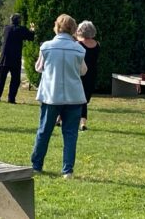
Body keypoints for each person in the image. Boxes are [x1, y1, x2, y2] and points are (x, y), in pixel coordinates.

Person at [30, 14, 87, 179]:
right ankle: (67, 170)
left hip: (51, 95)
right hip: (73, 96)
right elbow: (83, 71)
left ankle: (37, 165)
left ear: (56, 27)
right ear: (73, 29)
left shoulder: (47, 47)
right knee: (70, 134)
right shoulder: (78, 48)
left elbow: (38, 68)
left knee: (44, 130)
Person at [0, 13, 35, 103]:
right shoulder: (21, 30)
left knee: (1, 79)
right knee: (15, 80)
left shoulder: (6, 28)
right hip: (15, 59)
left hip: (4, 58)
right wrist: (32, 29)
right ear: (19, 21)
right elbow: (31, 37)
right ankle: (11, 98)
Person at [76, 20, 100, 131]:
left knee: (79, 98)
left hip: (80, 72)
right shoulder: (97, 44)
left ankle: (60, 118)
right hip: (92, 73)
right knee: (85, 98)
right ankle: (82, 122)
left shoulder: (78, 44)